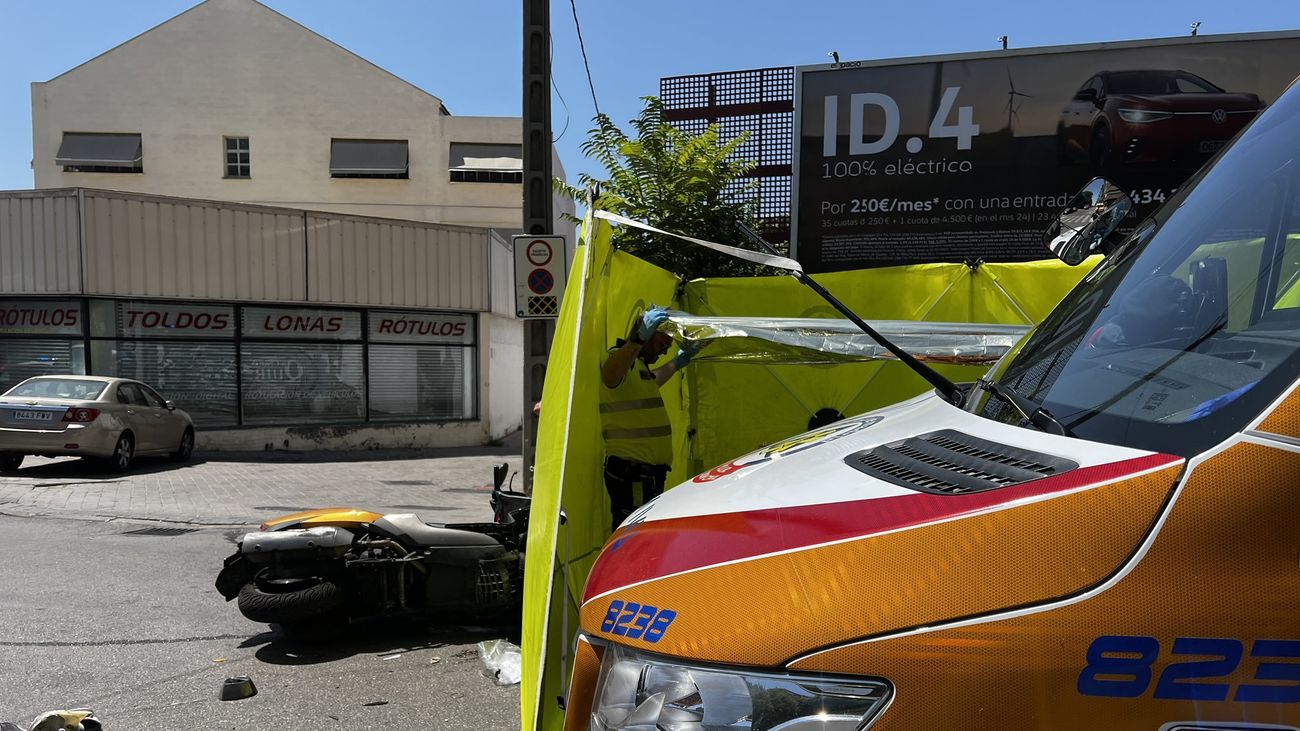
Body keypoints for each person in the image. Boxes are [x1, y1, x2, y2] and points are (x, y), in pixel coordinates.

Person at [599, 306, 698, 532]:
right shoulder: (618, 358)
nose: (664, 352)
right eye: (662, 344)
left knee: (643, 535)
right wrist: (637, 339)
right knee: (633, 536)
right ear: (646, 334)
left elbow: (652, 381)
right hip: (632, 473)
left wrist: (678, 363)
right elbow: (610, 375)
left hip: (644, 474)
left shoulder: (638, 367)